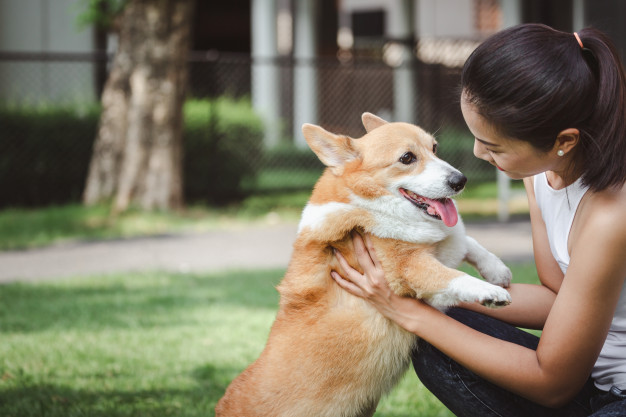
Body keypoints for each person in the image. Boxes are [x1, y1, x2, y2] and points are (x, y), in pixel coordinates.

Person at [331, 23, 626, 416]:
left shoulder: (611, 216)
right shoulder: (543, 177)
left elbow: (553, 384)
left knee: (426, 325)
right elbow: (557, 297)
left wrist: (407, 311)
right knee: (434, 333)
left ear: (564, 142)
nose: (477, 153)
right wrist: (419, 288)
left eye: (493, 146)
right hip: (589, 381)